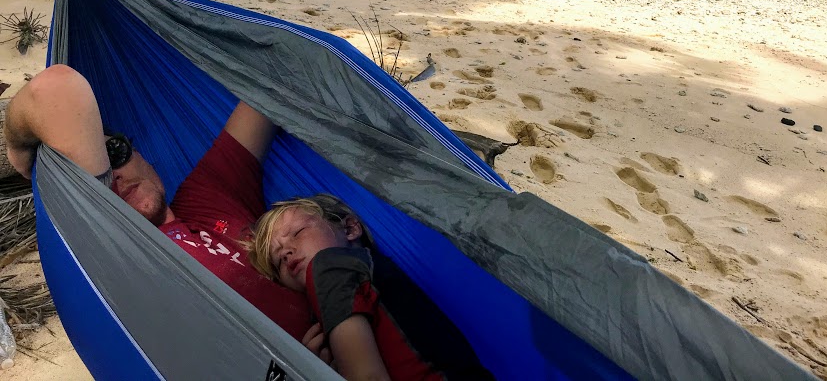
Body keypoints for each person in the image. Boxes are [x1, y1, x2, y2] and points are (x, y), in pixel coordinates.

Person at [2, 64, 315, 344]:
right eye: (101, 170)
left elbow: (277, 75)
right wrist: (24, 159)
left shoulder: (206, 197)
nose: (116, 179)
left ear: (143, 156)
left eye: (115, 153)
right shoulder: (111, 251)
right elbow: (54, 88)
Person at [247, 194, 492, 381]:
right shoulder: (379, 280)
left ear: (350, 228)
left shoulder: (328, 266)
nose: (287, 252)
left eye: (298, 233)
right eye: (278, 260)